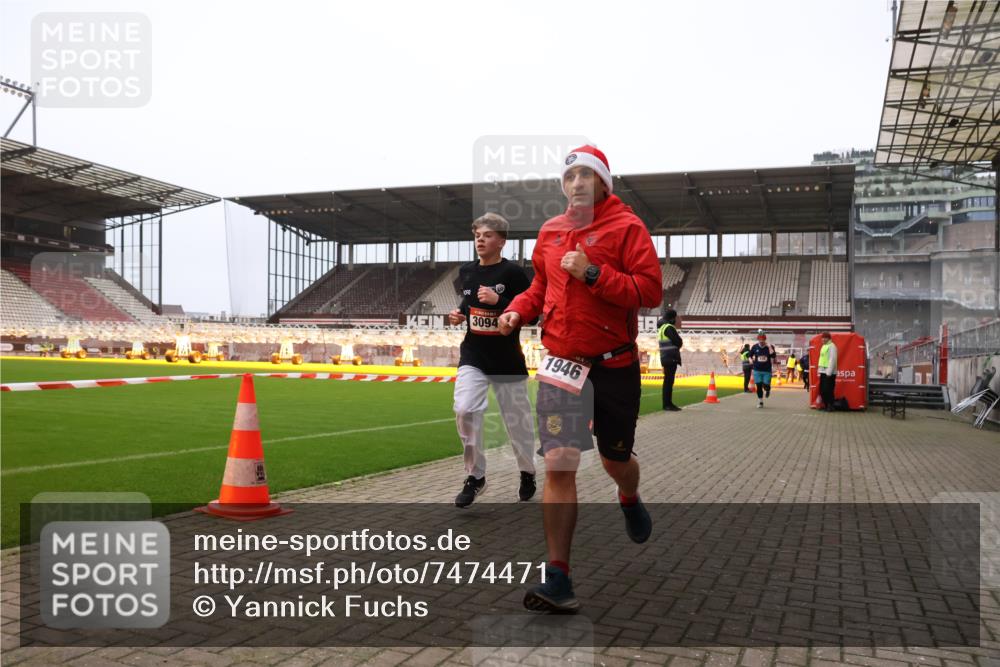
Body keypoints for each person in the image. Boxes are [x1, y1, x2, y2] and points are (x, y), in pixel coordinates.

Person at [497, 145, 662, 614]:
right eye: (569, 176)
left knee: (616, 461)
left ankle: (628, 495)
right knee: (560, 463)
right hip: (561, 365)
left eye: (586, 175)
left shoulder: (627, 228)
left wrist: (593, 272)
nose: (576, 183)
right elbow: (540, 287)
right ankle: (558, 576)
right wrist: (517, 310)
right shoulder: (550, 232)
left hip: (614, 366)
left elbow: (649, 291)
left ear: (604, 182)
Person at [449, 213, 537, 507]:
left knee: (518, 424)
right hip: (473, 353)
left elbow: (533, 313)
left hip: (507, 359)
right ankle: (475, 476)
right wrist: (459, 313)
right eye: (476, 235)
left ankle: (527, 472)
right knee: (464, 408)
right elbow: (469, 301)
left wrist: (500, 302)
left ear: (501, 241)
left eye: (486, 235)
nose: (480, 240)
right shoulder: (467, 271)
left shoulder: (513, 274)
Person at [658, 309, 683, 411]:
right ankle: (667, 404)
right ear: (672, 318)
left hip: (665, 357)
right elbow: (678, 342)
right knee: (669, 382)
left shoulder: (662, 327)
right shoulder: (669, 327)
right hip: (670, 357)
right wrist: (680, 340)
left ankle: (667, 403)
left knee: (667, 381)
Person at [748, 329, 776, 409]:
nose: (761, 342)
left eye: (763, 340)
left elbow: (773, 356)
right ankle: (760, 401)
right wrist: (750, 359)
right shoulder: (754, 347)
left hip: (767, 370)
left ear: (765, 339)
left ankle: (767, 390)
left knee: (766, 385)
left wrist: (769, 347)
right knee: (759, 386)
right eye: (760, 340)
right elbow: (750, 355)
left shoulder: (770, 347)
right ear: (758, 339)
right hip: (757, 369)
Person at [817, 331, 838, 411]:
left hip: (829, 373)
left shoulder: (832, 346)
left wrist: (829, 372)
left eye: (825, 338)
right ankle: (826, 405)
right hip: (823, 371)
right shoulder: (824, 346)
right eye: (822, 338)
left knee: (828, 390)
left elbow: (832, 359)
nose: (823, 339)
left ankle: (830, 406)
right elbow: (822, 359)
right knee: (822, 390)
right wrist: (819, 370)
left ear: (829, 338)